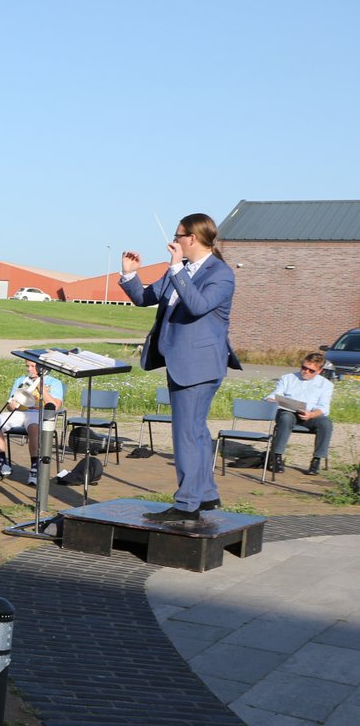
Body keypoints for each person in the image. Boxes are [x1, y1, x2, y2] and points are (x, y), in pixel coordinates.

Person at [120, 213, 239, 522]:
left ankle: (187, 503)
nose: (173, 241)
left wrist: (175, 269)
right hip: (180, 363)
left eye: (178, 235)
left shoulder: (220, 274)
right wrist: (130, 275)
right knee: (196, 432)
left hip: (199, 366)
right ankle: (206, 495)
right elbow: (145, 298)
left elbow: (198, 305)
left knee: (186, 434)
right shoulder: (181, 269)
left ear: (192, 238)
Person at [0, 358, 64, 483]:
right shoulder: (21, 380)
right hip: (19, 413)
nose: (29, 369)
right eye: (27, 366)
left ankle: (35, 468)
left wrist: (40, 387)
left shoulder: (54, 382)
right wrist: (12, 405)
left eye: (32, 366)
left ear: (42, 368)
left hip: (39, 414)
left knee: (34, 428)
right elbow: (10, 406)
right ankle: (2, 463)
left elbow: (55, 406)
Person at [268, 351, 334, 475]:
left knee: (326, 423)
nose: (306, 371)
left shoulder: (326, 385)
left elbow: (323, 407)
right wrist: (273, 399)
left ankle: (316, 460)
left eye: (311, 370)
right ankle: (276, 457)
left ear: (319, 371)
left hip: (310, 415)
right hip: (288, 412)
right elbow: (274, 395)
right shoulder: (288, 378)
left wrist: (311, 415)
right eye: (304, 368)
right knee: (286, 418)